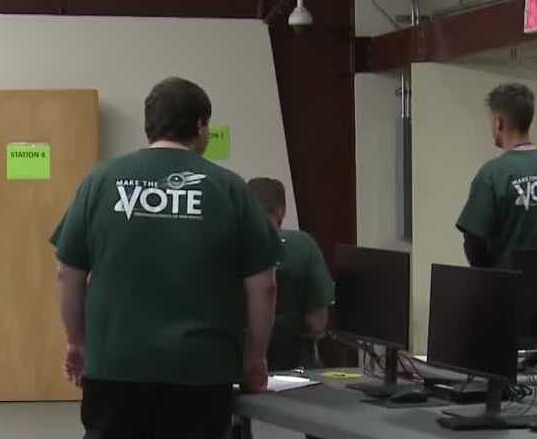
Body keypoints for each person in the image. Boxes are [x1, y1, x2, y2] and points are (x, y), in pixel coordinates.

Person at [52, 77, 280, 439]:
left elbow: (68, 273)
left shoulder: (101, 181)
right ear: (201, 125)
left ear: (149, 125)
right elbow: (263, 286)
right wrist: (255, 358)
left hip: (115, 366)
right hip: (202, 370)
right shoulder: (231, 188)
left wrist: (77, 341)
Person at [456, 83, 537, 270]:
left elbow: (474, 243)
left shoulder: (492, 175)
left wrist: (493, 275)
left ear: (498, 122)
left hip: (510, 293)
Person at [247, 177, 333, 372]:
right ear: (282, 211)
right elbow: (317, 322)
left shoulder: (226, 243)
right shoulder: (303, 245)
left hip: (236, 367)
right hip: (293, 368)